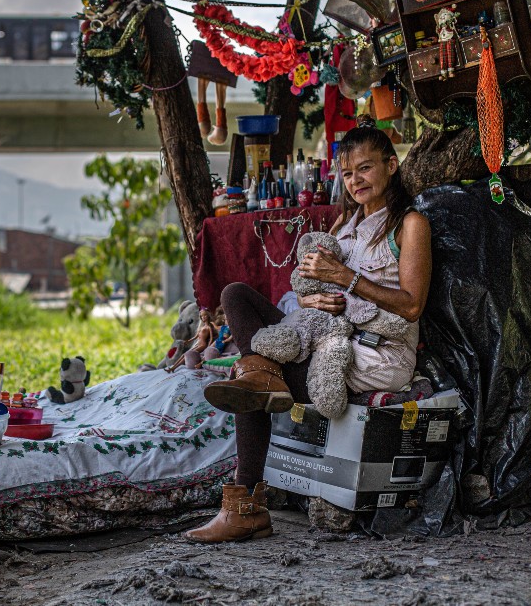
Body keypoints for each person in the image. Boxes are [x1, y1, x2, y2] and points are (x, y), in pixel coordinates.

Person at [185, 116, 433, 543]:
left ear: (392, 165)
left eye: (367, 168)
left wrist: (346, 280)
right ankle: (261, 373)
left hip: (373, 353)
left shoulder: (409, 225)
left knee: (255, 387)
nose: (356, 181)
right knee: (235, 295)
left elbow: (412, 305)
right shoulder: (343, 225)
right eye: (349, 173)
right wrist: (311, 299)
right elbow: (307, 291)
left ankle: (245, 506)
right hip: (321, 335)